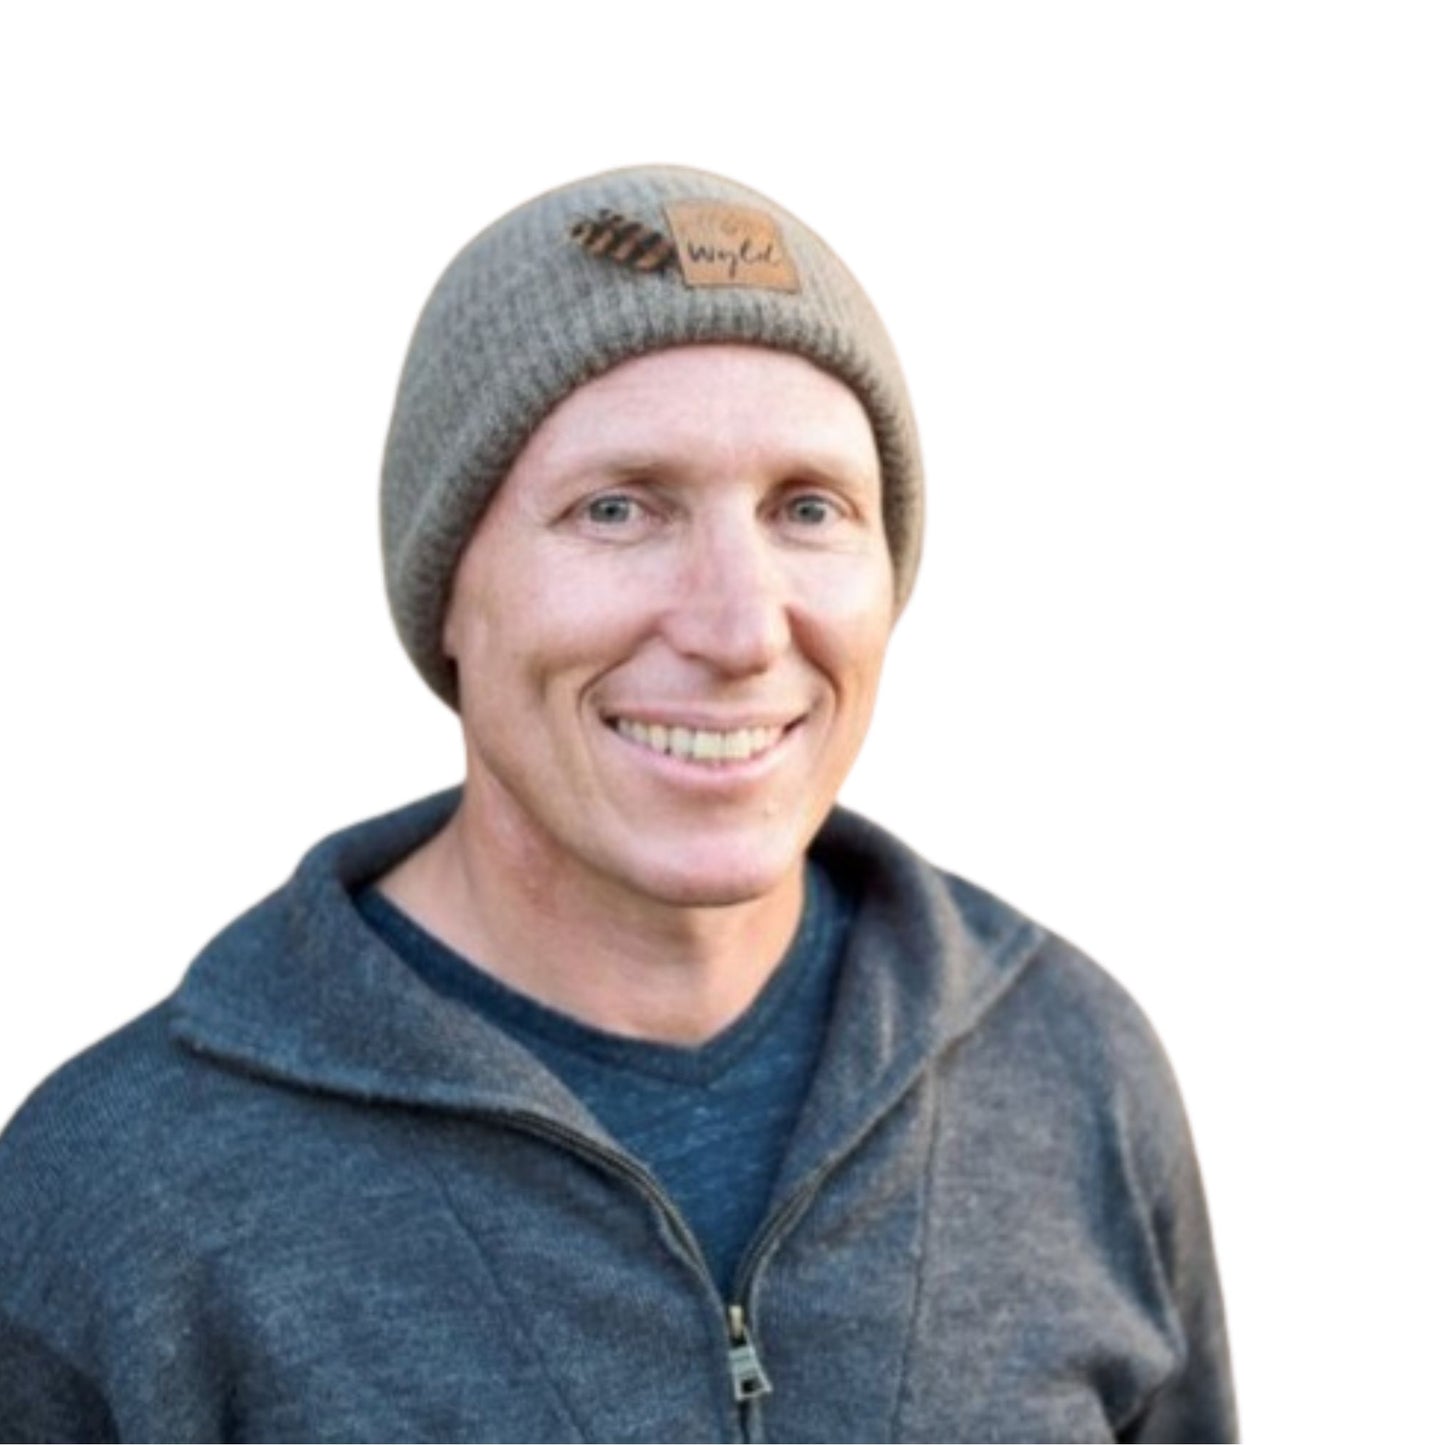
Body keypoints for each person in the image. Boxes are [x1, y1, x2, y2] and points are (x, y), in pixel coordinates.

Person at [0, 166, 1236, 1443]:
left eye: (806, 508)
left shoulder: (1064, 1064)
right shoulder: (120, 1196)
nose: (740, 627)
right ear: (447, 593)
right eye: (616, 508)